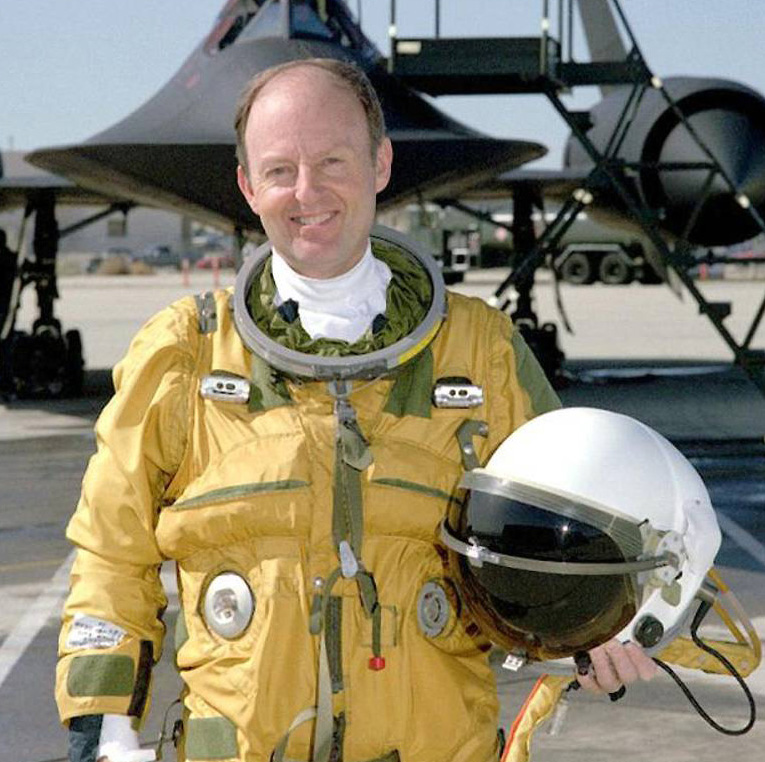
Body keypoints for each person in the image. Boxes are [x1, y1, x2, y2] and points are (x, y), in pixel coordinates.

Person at [57, 59, 655, 762]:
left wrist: (611, 622)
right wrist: (103, 725)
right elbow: (110, 550)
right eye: (279, 171)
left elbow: (586, 510)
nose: (306, 192)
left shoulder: (480, 350)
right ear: (249, 187)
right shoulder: (184, 354)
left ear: (379, 163)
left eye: (332, 161)